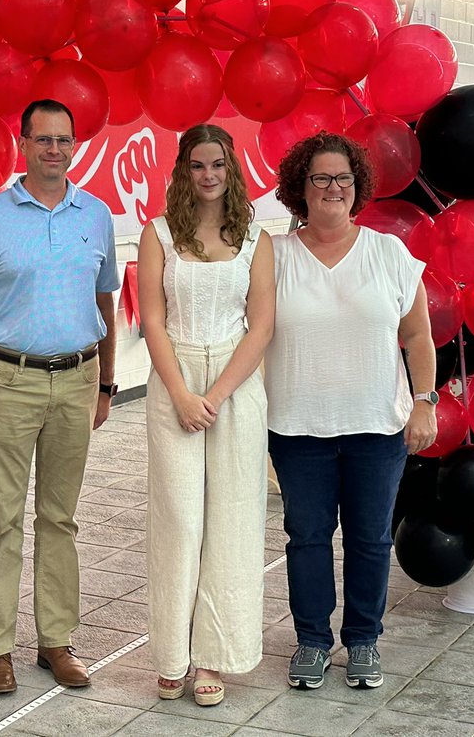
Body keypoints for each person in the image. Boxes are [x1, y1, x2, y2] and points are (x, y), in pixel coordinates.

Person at [0, 99, 120, 695]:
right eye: (43, 139)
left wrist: (106, 385)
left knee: (60, 519)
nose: (54, 149)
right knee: (2, 519)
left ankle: (56, 643)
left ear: (76, 147)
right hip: (7, 383)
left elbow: (107, 306)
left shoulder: (95, 215)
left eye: (63, 140)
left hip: (77, 379)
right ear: (23, 144)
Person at [264, 131, 437, 691]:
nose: (333, 187)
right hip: (297, 427)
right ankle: (313, 641)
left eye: (343, 177)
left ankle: (363, 640)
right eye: (320, 178)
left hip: (376, 428)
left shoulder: (388, 253)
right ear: (301, 188)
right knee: (307, 538)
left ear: (357, 185)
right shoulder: (274, 255)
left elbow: (418, 335)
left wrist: (424, 402)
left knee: (370, 540)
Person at [137, 124, 275, 708]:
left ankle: (214, 657)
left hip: (235, 387)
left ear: (232, 168)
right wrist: (182, 395)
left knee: (233, 522)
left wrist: (215, 395)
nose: (209, 175)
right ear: (183, 171)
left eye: (218, 164)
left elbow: (261, 325)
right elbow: (151, 319)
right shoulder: (159, 235)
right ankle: (172, 655)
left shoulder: (256, 239)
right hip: (175, 380)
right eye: (198, 165)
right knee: (179, 521)